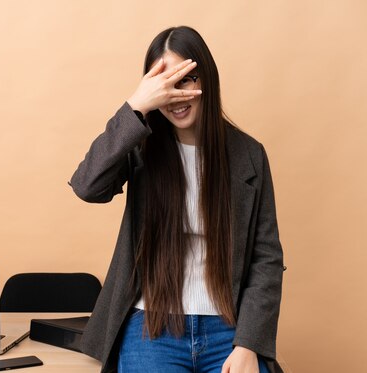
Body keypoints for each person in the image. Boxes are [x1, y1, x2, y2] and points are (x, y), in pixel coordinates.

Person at [69, 26, 285, 373]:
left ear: (207, 80)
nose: (178, 95)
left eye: (187, 79)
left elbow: (267, 257)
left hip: (228, 330)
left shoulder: (248, 154)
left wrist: (248, 343)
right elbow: (87, 185)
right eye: (165, 83)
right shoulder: (140, 144)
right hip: (152, 327)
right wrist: (135, 107)